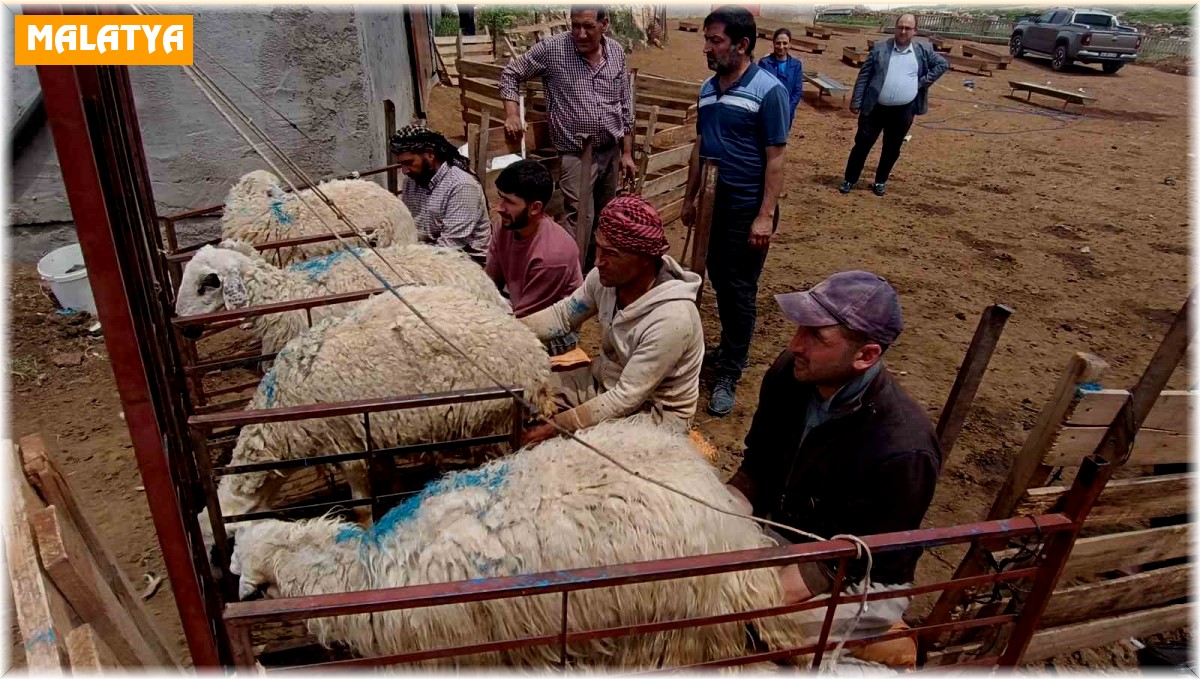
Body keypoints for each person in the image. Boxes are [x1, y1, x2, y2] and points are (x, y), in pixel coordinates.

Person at [725, 270, 941, 637]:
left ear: (866, 355)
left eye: (815, 336)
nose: (795, 345)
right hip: (785, 531)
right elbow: (757, 466)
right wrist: (715, 521)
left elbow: (847, 559)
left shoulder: (903, 449)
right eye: (800, 328)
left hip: (859, 573)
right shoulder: (789, 376)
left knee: (741, 629)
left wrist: (749, 601)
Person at [518, 196, 704, 446]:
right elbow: (563, 316)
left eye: (611, 253)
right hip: (602, 382)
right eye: (599, 248)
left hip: (652, 413)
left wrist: (555, 427)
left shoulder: (672, 319)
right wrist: (508, 332)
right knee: (518, 400)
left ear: (645, 258)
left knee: (567, 457)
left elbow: (626, 398)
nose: (598, 261)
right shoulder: (605, 279)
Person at [681, 6, 789, 417]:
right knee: (708, 278)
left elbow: (776, 159)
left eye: (716, 41)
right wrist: (691, 198)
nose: (707, 48)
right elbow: (699, 146)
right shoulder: (708, 90)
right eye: (706, 39)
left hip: (746, 209)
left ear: (742, 45)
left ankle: (729, 370)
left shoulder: (769, 90)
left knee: (738, 289)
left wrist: (765, 215)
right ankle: (716, 351)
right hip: (711, 206)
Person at [498, 5, 637, 268]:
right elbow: (510, 74)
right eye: (575, 26)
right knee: (580, 217)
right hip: (575, 153)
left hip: (610, 149)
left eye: (588, 26)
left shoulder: (616, 52)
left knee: (606, 216)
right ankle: (570, 279)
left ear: (604, 24)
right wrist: (513, 114)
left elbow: (624, 105)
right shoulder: (553, 50)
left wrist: (627, 152)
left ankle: (595, 275)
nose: (580, 34)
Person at [840, 14, 948, 197]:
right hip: (875, 108)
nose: (903, 31)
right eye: (900, 27)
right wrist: (856, 101)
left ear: (915, 31)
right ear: (895, 28)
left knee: (892, 148)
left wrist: (922, 82)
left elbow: (942, 64)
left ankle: (880, 181)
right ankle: (850, 179)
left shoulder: (922, 50)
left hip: (903, 110)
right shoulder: (881, 48)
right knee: (862, 145)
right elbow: (864, 76)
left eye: (908, 28)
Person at [485, 159, 584, 355]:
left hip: (554, 331)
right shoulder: (505, 226)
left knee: (490, 353)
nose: (499, 207)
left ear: (535, 208)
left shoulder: (553, 256)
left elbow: (528, 320)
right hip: (517, 309)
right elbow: (488, 282)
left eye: (509, 202)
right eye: (500, 198)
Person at [390, 125, 491, 265]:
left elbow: (452, 245)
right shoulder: (411, 183)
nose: (404, 170)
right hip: (426, 255)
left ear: (430, 154)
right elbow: (410, 228)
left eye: (409, 163)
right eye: (401, 164)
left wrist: (412, 261)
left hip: (465, 262)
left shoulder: (461, 186)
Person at [757, 28, 804, 126]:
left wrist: (788, 110)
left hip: (787, 113)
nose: (781, 47)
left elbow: (797, 90)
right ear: (773, 43)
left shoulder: (796, 65)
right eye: (778, 43)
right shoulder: (764, 63)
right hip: (767, 113)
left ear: (790, 44)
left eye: (785, 43)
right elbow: (759, 88)